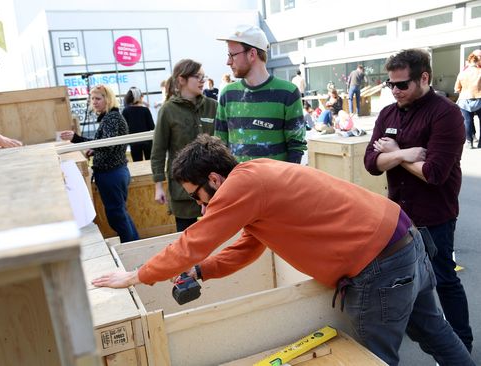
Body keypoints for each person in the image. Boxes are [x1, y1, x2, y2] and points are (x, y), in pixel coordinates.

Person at [92, 134, 474, 366]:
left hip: (380, 266)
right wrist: (201, 272)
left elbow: (194, 240)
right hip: (405, 243)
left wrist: (136, 276)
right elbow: (247, 247)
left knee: (370, 360)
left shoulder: (241, 187)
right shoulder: (258, 175)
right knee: (434, 331)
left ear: (214, 178)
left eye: (198, 196)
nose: (201, 207)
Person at [364, 49, 473, 353]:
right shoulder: (388, 113)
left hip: (435, 214)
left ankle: (460, 347)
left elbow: (435, 173)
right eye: (391, 85)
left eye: (402, 85)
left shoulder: (446, 114)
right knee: (405, 281)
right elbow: (371, 162)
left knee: (443, 280)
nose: (395, 91)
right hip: (398, 215)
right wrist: (402, 154)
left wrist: (394, 153)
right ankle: (430, 340)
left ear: (424, 77)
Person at [215, 24, 307, 163]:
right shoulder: (228, 94)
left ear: (252, 54)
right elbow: (219, 146)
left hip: (275, 182)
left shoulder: (288, 93)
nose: (228, 62)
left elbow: (296, 148)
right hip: (237, 182)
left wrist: (285, 183)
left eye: (232, 55)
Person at [60, 84, 139, 243]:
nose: (94, 102)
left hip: (112, 174)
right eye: (92, 99)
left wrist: (77, 139)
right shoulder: (110, 117)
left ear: (108, 99)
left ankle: (130, 247)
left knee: (117, 215)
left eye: (98, 98)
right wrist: (94, 150)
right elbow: (108, 144)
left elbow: (107, 144)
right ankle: (134, 244)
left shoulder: (112, 118)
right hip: (114, 172)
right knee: (119, 213)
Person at [150, 59, 217, 232]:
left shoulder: (213, 107)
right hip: (182, 190)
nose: (202, 81)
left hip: (213, 186)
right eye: (197, 77)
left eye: (204, 76)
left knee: (215, 236)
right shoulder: (168, 110)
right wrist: (158, 186)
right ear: (181, 80)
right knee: (187, 239)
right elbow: (158, 150)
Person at [454, 52, 481, 149]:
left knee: (467, 121)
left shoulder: (462, 73)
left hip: (464, 100)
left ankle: (469, 142)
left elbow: (457, 88)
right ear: (477, 62)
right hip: (479, 99)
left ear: (469, 62)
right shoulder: (480, 71)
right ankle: (480, 143)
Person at [122, 87, 155, 161]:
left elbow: (123, 128)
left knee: (137, 162)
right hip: (147, 141)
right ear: (139, 97)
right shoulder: (145, 110)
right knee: (149, 162)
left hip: (134, 141)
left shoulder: (126, 111)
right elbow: (152, 126)